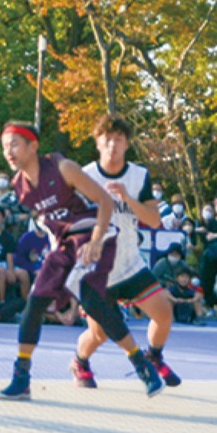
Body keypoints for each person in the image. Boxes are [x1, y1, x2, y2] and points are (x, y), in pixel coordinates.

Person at [0, 120, 165, 400]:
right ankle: (22, 375)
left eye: (14, 144)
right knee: (35, 301)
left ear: (33, 146)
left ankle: (141, 364)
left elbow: (105, 202)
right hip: (64, 244)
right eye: (4, 147)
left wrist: (97, 239)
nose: (8, 152)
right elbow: (50, 222)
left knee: (91, 300)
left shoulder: (63, 168)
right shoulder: (19, 187)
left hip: (95, 236)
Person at [72, 113, 183, 390]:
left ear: (126, 144)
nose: (112, 146)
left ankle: (154, 355)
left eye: (118, 140)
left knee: (164, 312)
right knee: (98, 335)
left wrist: (127, 199)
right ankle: (80, 362)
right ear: (97, 143)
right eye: (107, 140)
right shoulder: (85, 176)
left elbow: (155, 220)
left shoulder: (138, 176)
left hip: (129, 263)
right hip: (97, 270)